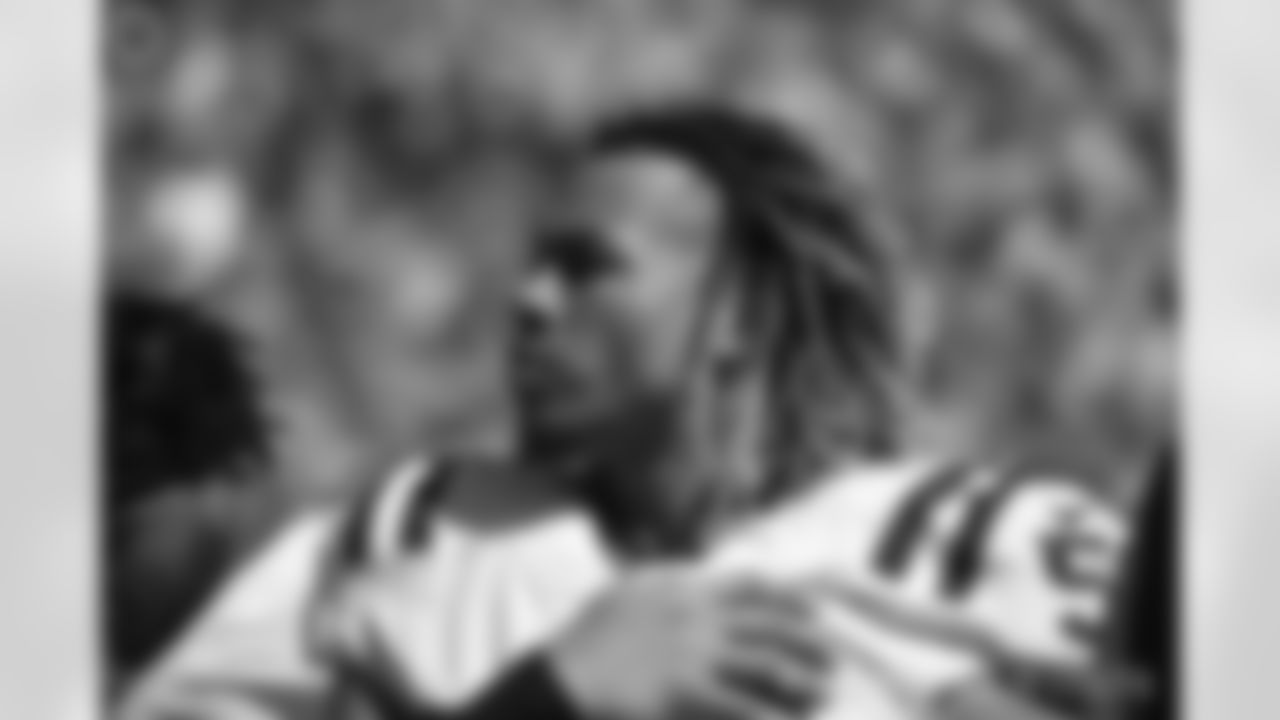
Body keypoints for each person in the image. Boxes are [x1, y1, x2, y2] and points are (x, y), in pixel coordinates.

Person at [121, 105, 1130, 720]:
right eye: (532, 266)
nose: (528, 300)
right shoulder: (415, 534)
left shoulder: (985, 548)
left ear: (741, 315)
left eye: (586, 268)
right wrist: (554, 694)